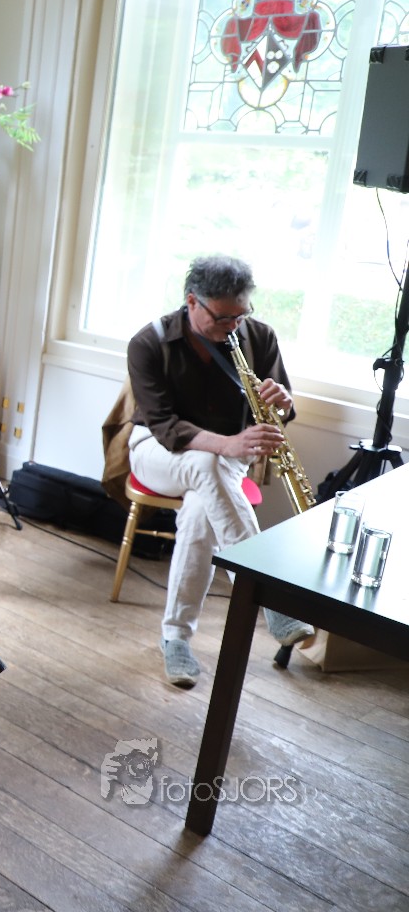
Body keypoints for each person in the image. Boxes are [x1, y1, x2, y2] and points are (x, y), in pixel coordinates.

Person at [126, 255, 315, 687]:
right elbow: (165, 427)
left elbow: (277, 413)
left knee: (200, 511)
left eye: (240, 315)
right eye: (222, 317)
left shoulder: (259, 336)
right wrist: (226, 445)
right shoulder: (149, 342)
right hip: (156, 451)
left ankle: (175, 638)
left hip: (225, 461)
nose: (233, 326)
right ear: (192, 301)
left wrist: (283, 404)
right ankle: (268, 594)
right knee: (207, 462)